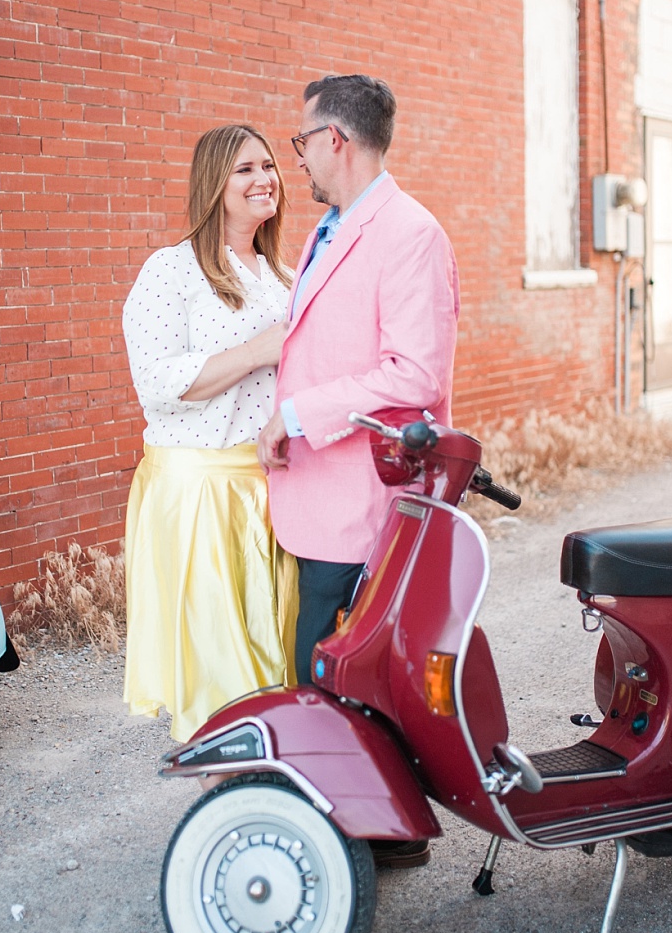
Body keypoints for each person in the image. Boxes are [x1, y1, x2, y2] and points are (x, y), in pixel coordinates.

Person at [257, 74, 460, 868]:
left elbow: (413, 375)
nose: (296, 158)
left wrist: (299, 415)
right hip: (316, 498)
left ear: (334, 140)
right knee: (329, 671)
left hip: (361, 503)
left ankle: (367, 840)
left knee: (338, 674)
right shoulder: (329, 229)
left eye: (302, 141)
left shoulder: (410, 233)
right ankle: (367, 832)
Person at [122, 124, 298, 742]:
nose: (264, 179)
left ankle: (269, 797)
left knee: (273, 659)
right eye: (245, 169)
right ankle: (229, 808)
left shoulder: (282, 272)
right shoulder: (171, 271)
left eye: (269, 166)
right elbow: (159, 383)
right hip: (198, 495)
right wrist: (258, 349)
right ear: (213, 183)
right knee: (217, 671)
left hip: (271, 491)